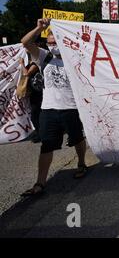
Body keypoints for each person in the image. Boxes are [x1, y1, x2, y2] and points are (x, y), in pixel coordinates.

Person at [20, 18, 88, 197]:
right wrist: (39, 28)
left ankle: (81, 162)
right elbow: (25, 42)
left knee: (77, 139)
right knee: (46, 145)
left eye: (55, 42)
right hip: (48, 109)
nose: (52, 46)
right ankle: (40, 182)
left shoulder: (72, 57)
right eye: (49, 43)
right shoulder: (43, 56)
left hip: (71, 107)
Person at [18, 51, 43, 143]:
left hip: (38, 92)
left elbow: (27, 74)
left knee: (36, 114)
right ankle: (39, 132)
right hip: (33, 92)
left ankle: (40, 134)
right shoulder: (30, 62)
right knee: (36, 114)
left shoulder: (36, 63)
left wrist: (21, 64)